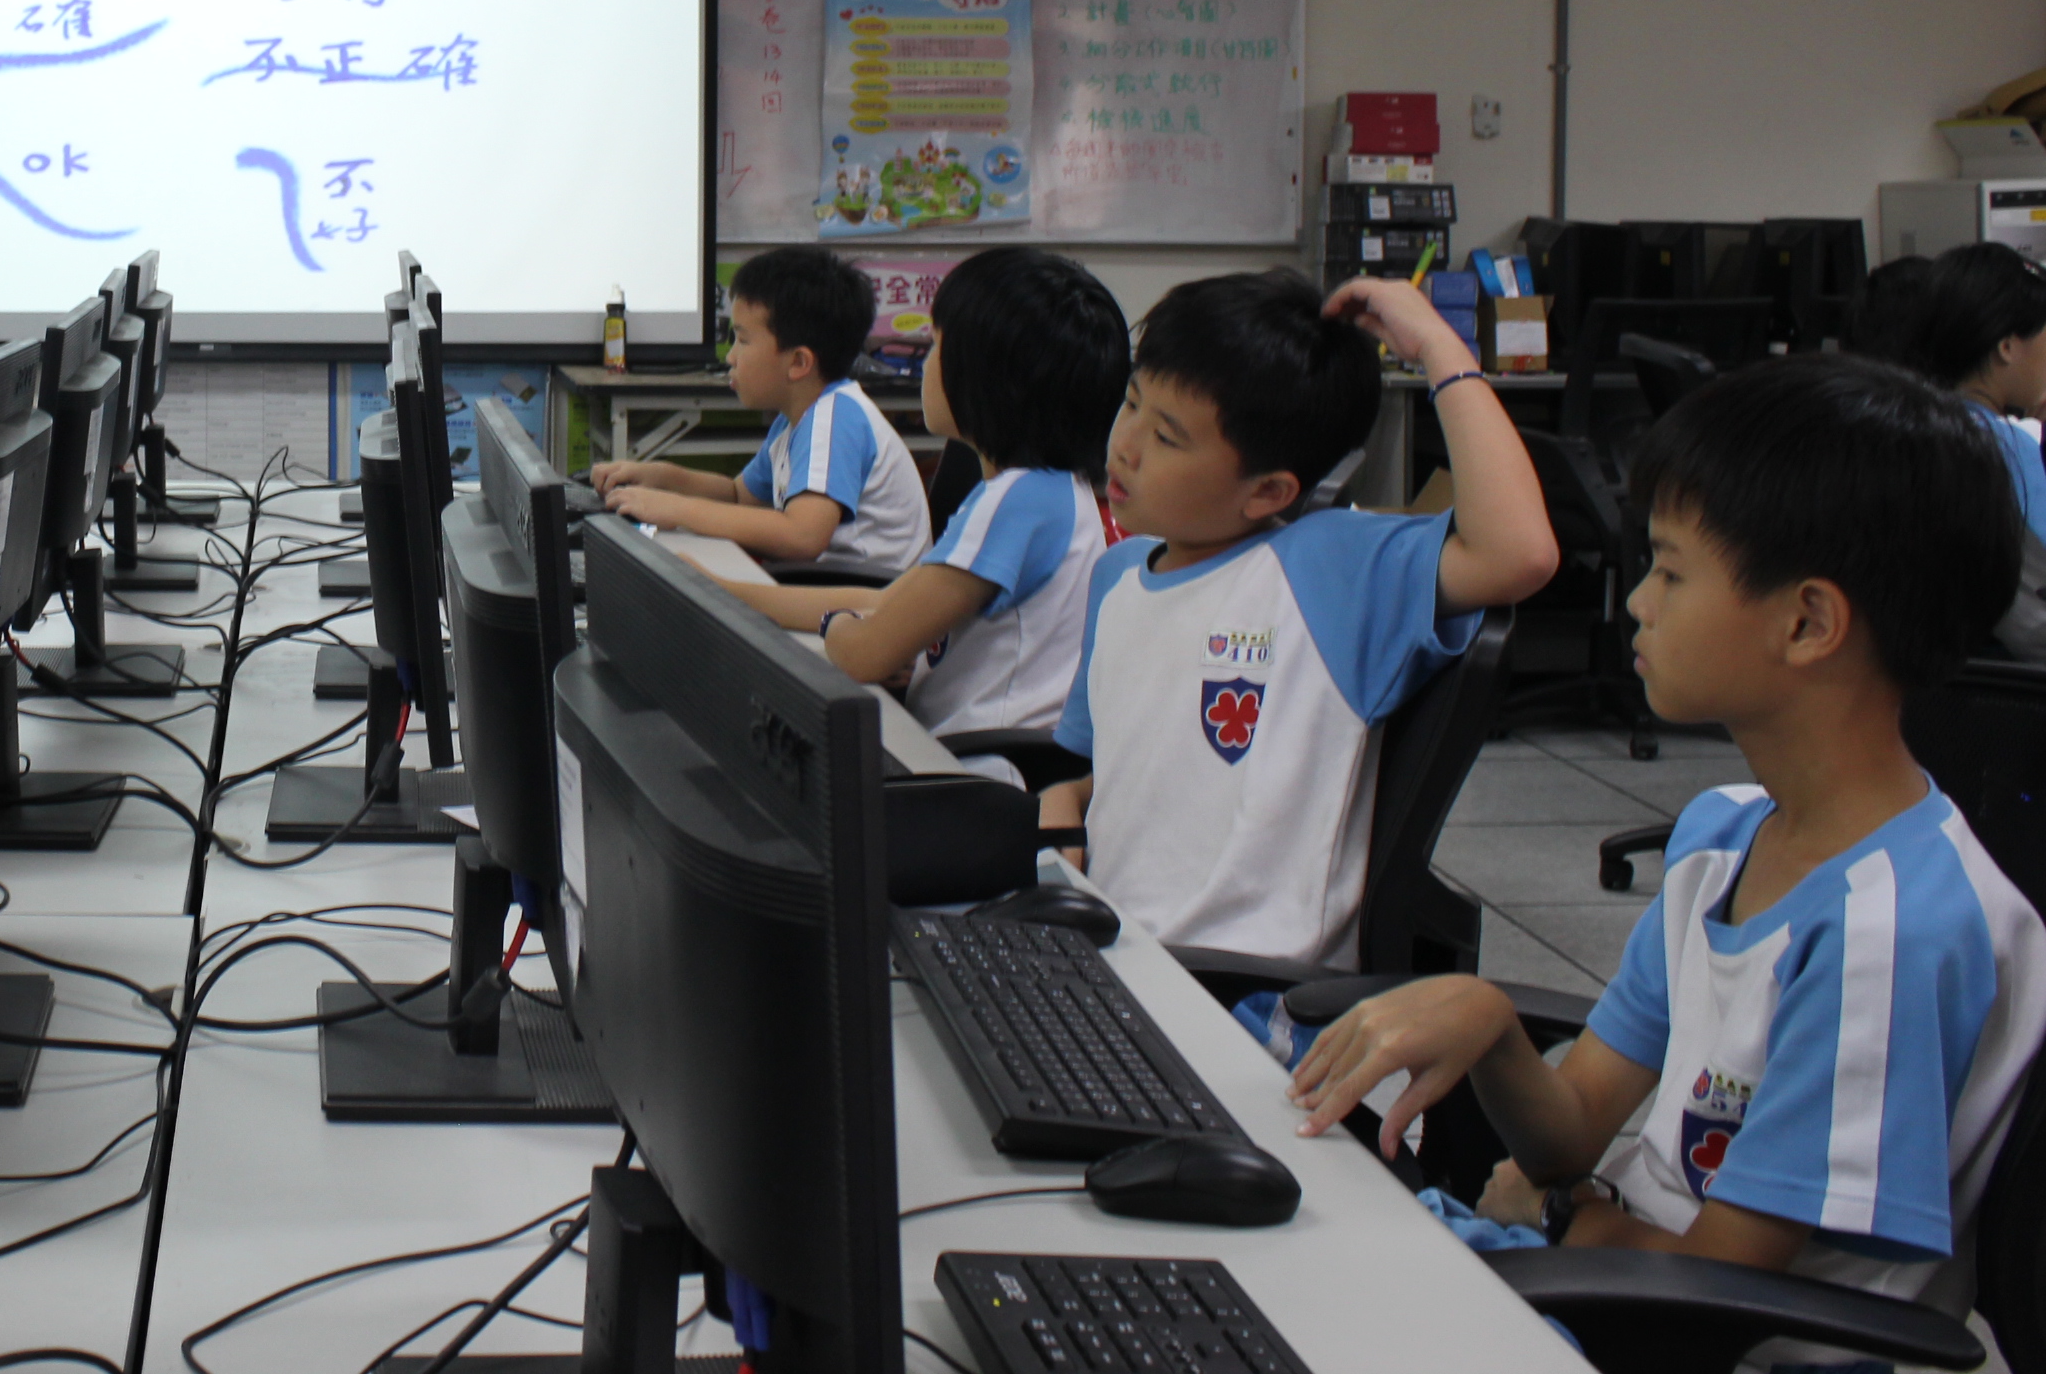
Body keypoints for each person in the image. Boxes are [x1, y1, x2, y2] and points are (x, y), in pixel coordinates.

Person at [1286, 357, 2046, 1324]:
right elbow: (1573, 1130)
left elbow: (1727, 1291)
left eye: (1672, 572)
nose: (1639, 602)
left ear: (1807, 622)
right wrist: (1492, 1028)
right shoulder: (1724, 835)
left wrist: (1559, 1216)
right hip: (1622, 1290)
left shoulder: (1889, 931)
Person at [1037, 268, 1559, 969]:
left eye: (1166, 436)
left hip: (1244, 989)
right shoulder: (1118, 576)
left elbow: (1520, 553)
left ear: (1268, 492)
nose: (1124, 445)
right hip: (1114, 953)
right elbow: (1144, 768)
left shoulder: (1329, 569)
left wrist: (1439, 347)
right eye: (1130, 404)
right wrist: (1067, 797)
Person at [721, 249, 1129, 745]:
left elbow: (865, 653)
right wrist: (728, 594)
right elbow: (886, 603)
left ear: (987, 378)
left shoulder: (1017, 503)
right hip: (969, 751)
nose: (926, 364)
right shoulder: (1049, 490)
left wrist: (842, 627)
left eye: (936, 346)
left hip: (974, 767)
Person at [594, 245, 931, 568]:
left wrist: (678, 509)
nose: (731, 357)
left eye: (742, 340)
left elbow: (803, 536)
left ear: (798, 362)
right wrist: (661, 477)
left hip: (865, 597)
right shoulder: (797, 418)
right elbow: (738, 495)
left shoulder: (834, 420)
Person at [1850, 243, 2046, 661]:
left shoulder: (1894, 430)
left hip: (1925, 677)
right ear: (2007, 346)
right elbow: (2035, 623)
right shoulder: (2007, 446)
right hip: (2009, 679)